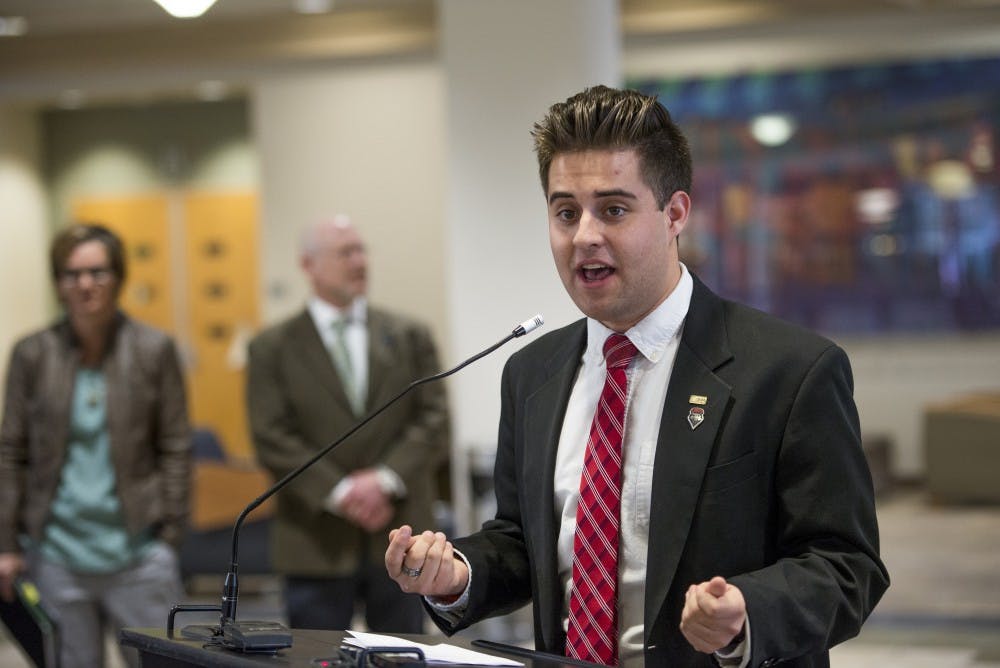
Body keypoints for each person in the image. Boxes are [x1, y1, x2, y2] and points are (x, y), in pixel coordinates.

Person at [384, 85, 889, 667]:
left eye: (614, 210)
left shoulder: (790, 371)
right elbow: (524, 541)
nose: (584, 236)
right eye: (565, 212)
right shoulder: (531, 374)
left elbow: (847, 566)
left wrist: (746, 612)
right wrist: (458, 574)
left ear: (675, 214)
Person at [0, 223, 191, 668]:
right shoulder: (32, 354)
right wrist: (6, 542)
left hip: (139, 553)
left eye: (97, 272)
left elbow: (176, 447)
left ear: (118, 277)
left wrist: (170, 535)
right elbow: (11, 452)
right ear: (58, 282)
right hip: (57, 555)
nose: (85, 284)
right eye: (72, 274)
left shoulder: (154, 349)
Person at [246, 215, 450, 633]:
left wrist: (383, 481)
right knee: (315, 657)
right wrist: (341, 492)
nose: (359, 262)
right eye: (345, 253)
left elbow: (435, 420)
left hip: (402, 534)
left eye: (361, 251)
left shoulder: (409, 335)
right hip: (314, 540)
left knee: (403, 655)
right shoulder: (271, 348)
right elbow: (271, 436)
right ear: (308, 265)